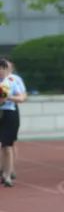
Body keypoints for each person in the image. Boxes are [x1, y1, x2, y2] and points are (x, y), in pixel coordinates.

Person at [0, 58, 28, 187]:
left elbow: (22, 97)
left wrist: (8, 97)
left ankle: (8, 174)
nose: (1, 71)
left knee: (8, 145)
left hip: (10, 113)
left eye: (3, 68)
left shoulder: (12, 81)